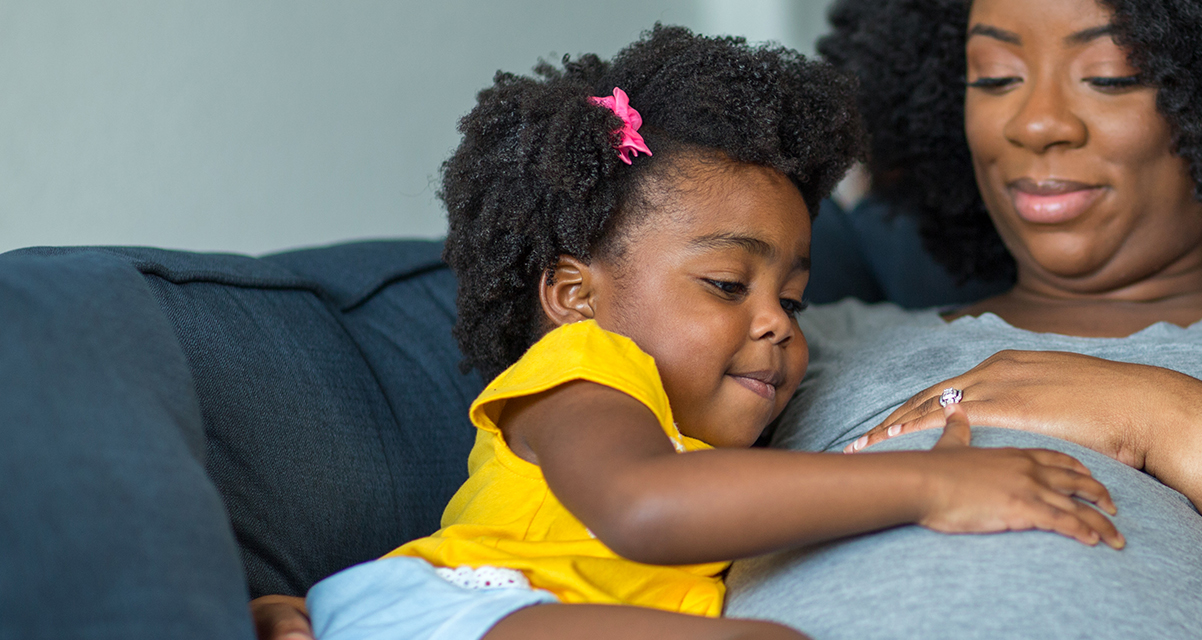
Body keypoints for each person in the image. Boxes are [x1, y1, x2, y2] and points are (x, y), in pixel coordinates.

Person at [262, 0, 1202, 638]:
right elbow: (576, 517)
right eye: (991, 74)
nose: (1036, 123)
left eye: (1111, 73)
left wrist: (1172, 420)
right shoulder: (790, 343)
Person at [266, 25, 1130, 640]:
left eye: (794, 300)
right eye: (726, 284)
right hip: (463, 611)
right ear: (574, 294)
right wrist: (927, 485)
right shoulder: (585, 374)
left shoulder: (705, 446)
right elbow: (645, 509)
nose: (776, 323)